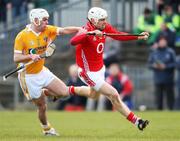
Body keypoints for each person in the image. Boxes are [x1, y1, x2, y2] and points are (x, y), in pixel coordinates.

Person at [69, 7, 149, 131]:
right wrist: (90, 33)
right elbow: (73, 41)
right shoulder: (84, 30)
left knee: (93, 95)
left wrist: (137, 36)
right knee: (114, 94)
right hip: (88, 72)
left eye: (105, 19)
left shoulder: (104, 27)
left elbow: (118, 35)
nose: (105, 22)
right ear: (94, 20)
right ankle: (137, 121)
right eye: (102, 20)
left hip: (100, 69)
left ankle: (69, 89)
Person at [14, 8, 82, 136]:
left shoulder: (47, 29)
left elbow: (64, 30)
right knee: (42, 106)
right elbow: (16, 58)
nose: (47, 21)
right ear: (35, 20)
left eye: (47, 19)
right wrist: (30, 57)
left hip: (42, 71)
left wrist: (80, 29)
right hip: (28, 77)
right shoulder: (22, 36)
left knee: (64, 93)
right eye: (44, 19)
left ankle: (45, 91)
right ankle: (47, 129)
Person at [148, 36, 176, 110]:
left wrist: (165, 66)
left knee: (170, 96)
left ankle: (171, 109)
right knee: (158, 97)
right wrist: (154, 66)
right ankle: (159, 110)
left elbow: (175, 64)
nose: (162, 43)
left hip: (168, 79)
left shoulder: (170, 51)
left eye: (164, 41)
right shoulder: (154, 52)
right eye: (161, 41)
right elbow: (149, 64)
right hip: (158, 79)